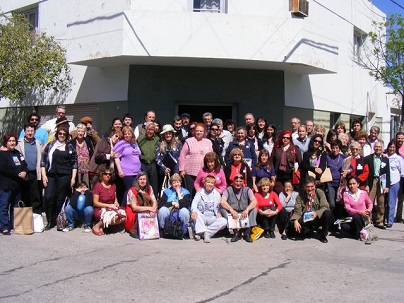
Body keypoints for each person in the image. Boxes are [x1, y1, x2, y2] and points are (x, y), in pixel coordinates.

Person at [41, 125, 77, 230]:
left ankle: (57, 219)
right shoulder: (51, 145)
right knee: (48, 197)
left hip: (65, 176)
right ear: (57, 134)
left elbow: (74, 164)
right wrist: (44, 175)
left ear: (67, 136)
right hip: (51, 175)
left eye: (64, 134)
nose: (62, 135)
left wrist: (73, 178)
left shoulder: (70, 147)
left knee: (60, 199)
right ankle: (50, 221)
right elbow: (43, 161)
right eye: (60, 133)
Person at [0, 133, 27, 235]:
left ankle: (13, 225)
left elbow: (24, 164)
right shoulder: (2, 154)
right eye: (10, 141)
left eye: (13, 141)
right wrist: (17, 173)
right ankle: (4, 227)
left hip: (17, 185)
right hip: (5, 185)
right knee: (4, 206)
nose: (12, 143)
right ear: (6, 143)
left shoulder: (18, 153)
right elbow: (3, 169)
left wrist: (24, 172)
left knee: (15, 207)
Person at [290, 176, 331, 243]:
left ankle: (323, 235)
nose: (310, 189)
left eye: (312, 186)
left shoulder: (320, 193)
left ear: (315, 185)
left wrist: (317, 213)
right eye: (307, 186)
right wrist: (295, 220)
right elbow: (297, 211)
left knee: (327, 213)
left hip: (317, 217)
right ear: (304, 186)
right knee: (293, 227)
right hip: (306, 218)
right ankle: (308, 230)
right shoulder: (300, 195)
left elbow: (325, 207)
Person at [221, 174, 257, 243]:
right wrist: (231, 210)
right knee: (223, 210)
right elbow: (222, 201)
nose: (238, 183)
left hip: (244, 212)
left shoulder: (247, 190)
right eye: (236, 181)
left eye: (240, 181)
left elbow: (254, 201)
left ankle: (247, 232)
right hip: (233, 213)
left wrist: (247, 210)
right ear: (233, 181)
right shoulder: (228, 190)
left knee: (254, 209)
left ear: (243, 182)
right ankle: (236, 233)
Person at [191, 175, 227, 243]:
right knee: (196, 213)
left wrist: (218, 212)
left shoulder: (217, 194)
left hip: (212, 217)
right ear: (204, 183)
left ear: (214, 185)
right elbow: (194, 203)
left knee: (224, 221)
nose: (210, 184)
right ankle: (200, 233)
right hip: (202, 216)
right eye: (208, 182)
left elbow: (219, 206)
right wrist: (194, 211)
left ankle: (206, 233)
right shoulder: (199, 192)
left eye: (212, 183)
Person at [179, 123, 213, 195]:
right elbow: (182, 156)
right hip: (190, 172)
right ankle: (188, 206)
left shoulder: (208, 142)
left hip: (204, 171)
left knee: (202, 192)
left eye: (201, 131)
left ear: (204, 132)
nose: (199, 132)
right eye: (197, 131)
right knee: (189, 192)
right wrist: (182, 169)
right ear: (194, 131)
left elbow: (212, 156)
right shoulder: (188, 141)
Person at [16, 123, 43, 215]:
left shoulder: (38, 143)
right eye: (28, 131)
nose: (30, 133)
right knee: (24, 195)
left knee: (35, 196)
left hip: (35, 173)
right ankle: (24, 218)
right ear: (24, 132)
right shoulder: (18, 143)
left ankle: (36, 216)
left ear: (34, 132)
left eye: (32, 131)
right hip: (23, 173)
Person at [92, 167, 126, 236]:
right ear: (102, 174)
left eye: (110, 174)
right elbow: (95, 203)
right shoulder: (98, 186)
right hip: (100, 209)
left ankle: (106, 226)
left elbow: (115, 199)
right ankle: (97, 226)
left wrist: (116, 203)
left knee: (124, 216)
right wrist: (109, 205)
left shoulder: (113, 186)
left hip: (112, 208)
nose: (108, 176)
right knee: (114, 217)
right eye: (105, 174)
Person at [364, 141, 390, 229]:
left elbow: (388, 173)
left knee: (381, 202)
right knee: (369, 202)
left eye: (379, 147)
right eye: (376, 147)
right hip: (372, 181)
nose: (378, 148)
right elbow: (366, 173)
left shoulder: (386, 159)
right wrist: (366, 184)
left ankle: (380, 221)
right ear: (373, 148)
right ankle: (368, 220)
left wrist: (387, 186)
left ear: (382, 148)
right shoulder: (368, 158)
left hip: (382, 181)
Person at [158, 173, 191, 238]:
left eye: (177, 182)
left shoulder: (186, 192)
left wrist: (178, 192)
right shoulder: (166, 192)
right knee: (162, 210)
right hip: (170, 210)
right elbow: (160, 204)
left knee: (184, 211)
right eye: (174, 183)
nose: (176, 184)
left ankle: (185, 231)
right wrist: (172, 203)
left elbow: (185, 205)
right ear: (171, 184)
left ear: (180, 182)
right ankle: (163, 230)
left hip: (180, 210)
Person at [114, 126, 141, 190]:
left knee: (135, 191)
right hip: (127, 172)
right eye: (125, 134)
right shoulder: (121, 144)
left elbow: (138, 155)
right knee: (130, 190)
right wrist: (120, 171)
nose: (127, 135)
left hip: (137, 172)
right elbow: (116, 157)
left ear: (132, 134)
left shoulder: (134, 143)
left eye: (129, 134)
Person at [385, 140, 404, 228]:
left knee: (391, 202)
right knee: (383, 202)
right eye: (390, 147)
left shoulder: (399, 158)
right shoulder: (384, 157)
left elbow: (402, 172)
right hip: (384, 182)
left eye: (393, 147)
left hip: (394, 182)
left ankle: (390, 220)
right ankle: (383, 218)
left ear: (396, 149)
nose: (391, 149)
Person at [137, 122, 159, 195]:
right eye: (148, 129)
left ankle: (154, 201)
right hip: (143, 163)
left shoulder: (157, 139)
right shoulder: (140, 139)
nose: (150, 131)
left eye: (152, 129)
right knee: (143, 183)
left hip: (153, 163)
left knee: (154, 183)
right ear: (146, 129)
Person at [326, 140, 346, 211]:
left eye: (337, 148)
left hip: (340, 184)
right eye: (333, 148)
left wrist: (347, 171)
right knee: (332, 203)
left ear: (339, 148)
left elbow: (351, 168)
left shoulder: (343, 157)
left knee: (340, 202)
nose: (335, 150)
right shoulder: (327, 157)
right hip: (330, 183)